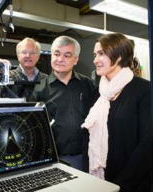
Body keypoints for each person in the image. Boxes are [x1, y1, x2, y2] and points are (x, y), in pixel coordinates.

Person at [81, 32, 152, 192]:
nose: (95, 60)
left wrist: (121, 185)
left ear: (119, 55)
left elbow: (148, 145)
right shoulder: (98, 94)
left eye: (101, 54)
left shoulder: (144, 90)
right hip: (99, 180)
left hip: (131, 183)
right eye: (95, 55)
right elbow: (87, 138)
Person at [30, 35, 96, 170]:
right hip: (54, 160)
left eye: (67, 55)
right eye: (56, 54)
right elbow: (32, 128)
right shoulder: (39, 89)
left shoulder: (87, 85)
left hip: (86, 156)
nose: (60, 59)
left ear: (76, 59)